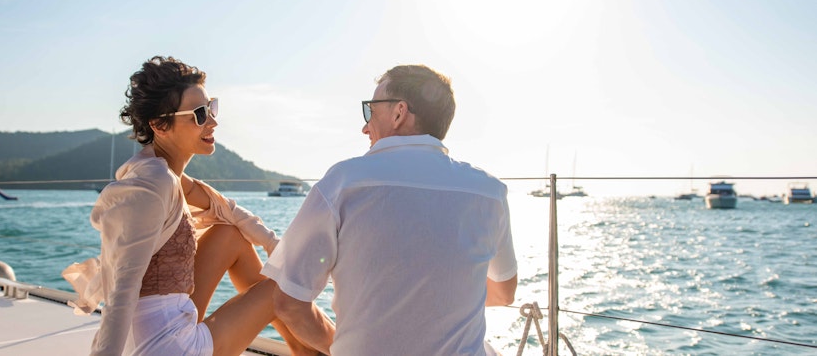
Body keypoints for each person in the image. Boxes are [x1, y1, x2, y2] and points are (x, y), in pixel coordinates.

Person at [62, 56, 320, 356]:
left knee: (229, 235)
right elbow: (122, 289)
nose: (213, 120)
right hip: (164, 346)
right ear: (160, 124)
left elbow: (224, 208)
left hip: (168, 322)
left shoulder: (165, 173)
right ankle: (344, 350)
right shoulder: (152, 185)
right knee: (281, 288)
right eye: (199, 114)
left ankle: (310, 352)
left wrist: (271, 242)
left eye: (211, 107)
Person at [261, 64, 518, 355]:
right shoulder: (488, 192)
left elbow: (289, 303)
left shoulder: (343, 183)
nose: (365, 125)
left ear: (398, 113)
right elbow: (503, 292)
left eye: (370, 110)